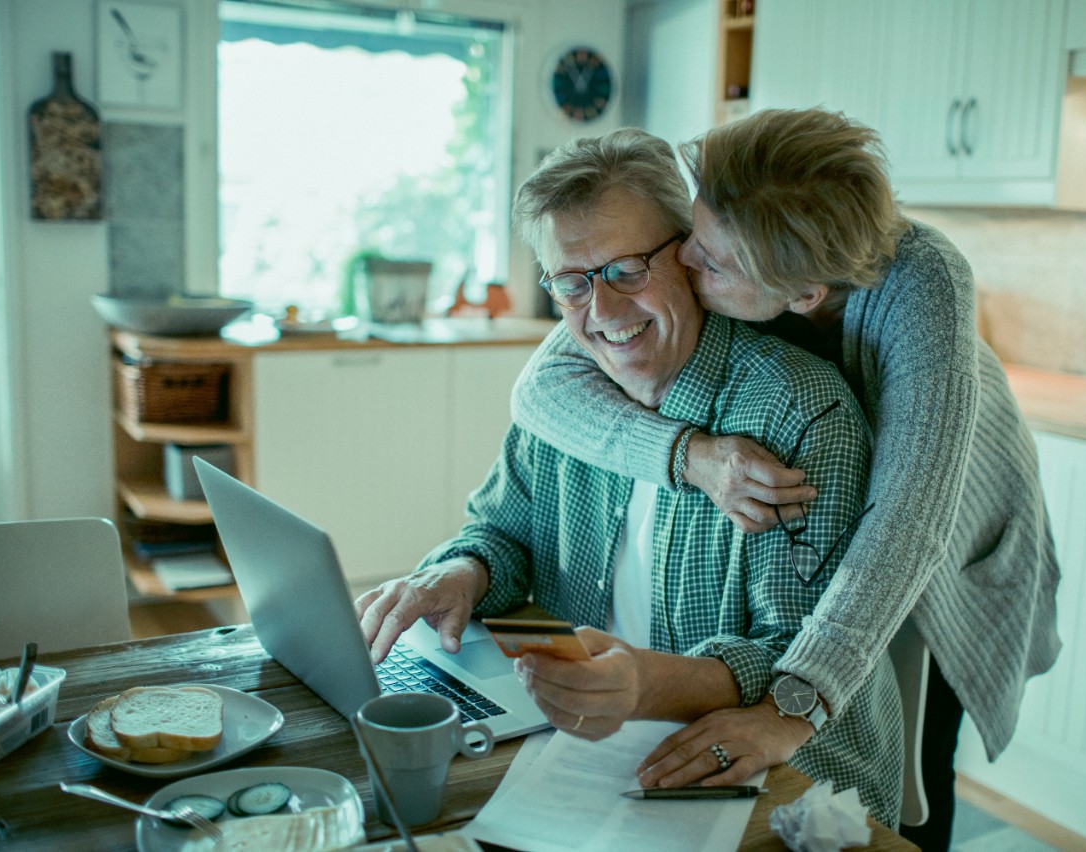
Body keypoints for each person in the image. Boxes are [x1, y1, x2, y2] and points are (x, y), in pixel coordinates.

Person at [509, 108, 1062, 850]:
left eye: (706, 260)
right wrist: (692, 455)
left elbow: (909, 524)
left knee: (912, 774)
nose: (684, 265)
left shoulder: (921, 288)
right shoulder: (754, 240)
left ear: (800, 295)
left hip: (953, 552)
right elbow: (540, 387)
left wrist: (790, 711)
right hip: (877, 526)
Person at [356, 128, 903, 827]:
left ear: (692, 255)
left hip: (782, 782)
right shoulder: (564, 392)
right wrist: (459, 574)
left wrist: (643, 686)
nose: (602, 313)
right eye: (572, 282)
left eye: (625, 270)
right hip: (586, 752)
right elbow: (500, 530)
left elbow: (800, 657)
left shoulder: (798, 411)